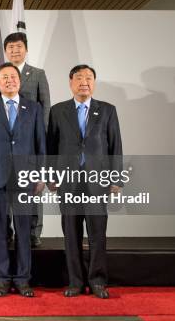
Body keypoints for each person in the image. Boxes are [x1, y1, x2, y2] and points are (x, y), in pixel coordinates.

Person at [47, 64, 123, 299]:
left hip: (97, 181)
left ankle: (98, 281)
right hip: (67, 181)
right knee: (71, 233)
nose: (84, 82)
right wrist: (50, 175)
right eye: (79, 78)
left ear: (94, 83)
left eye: (89, 78)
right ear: (70, 83)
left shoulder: (107, 110)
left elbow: (115, 146)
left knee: (97, 233)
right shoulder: (58, 111)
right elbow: (51, 146)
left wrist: (116, 179)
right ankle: (76, 282)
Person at [0, 62, 46, 297]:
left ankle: (24, 279)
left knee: (24, 230)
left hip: (26, 177)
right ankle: (2, 279)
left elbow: (40, 144)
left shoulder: (33, 108)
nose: (9, 80)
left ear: (19, 80)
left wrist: (41, 173)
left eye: (13, 77)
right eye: (4, 77)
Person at [0, 32, 51, 247]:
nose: (15, 51)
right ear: (6, 51)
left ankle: (34, 232)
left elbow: (45, 108)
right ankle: (6, 232)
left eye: (19, 47)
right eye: (11, 47)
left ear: (26, 49)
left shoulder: (37, 74)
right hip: (5, 146)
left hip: (30, 142)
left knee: (33, 190)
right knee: (5, 193)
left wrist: (40, 139)